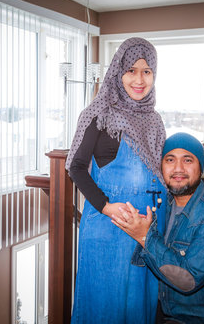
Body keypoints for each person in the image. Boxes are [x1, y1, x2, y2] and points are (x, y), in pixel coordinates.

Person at [66, 37, 167, 323]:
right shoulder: (98, 115)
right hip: (108, 230)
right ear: (117, 72)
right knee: (104, 310)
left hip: (145, 234)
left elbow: (163, 168)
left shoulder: (154, 120)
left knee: (139, 308)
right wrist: (107, 206)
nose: (139, 79)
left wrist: (202, 183)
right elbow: (76, 167)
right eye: (131, 70)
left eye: (147, 71)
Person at [112, 132, 204, 324]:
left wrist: (145, 237)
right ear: (161, 166)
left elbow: (187, 280)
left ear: (200, 168)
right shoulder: (164, 202)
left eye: (188, 160)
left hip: (202, 318)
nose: (178, 169)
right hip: (161, 310)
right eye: (170, 160)